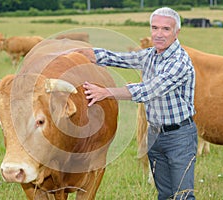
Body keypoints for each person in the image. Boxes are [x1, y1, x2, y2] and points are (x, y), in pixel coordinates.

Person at [77, 7, 198, 200]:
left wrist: (106, 92)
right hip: (155, 134)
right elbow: (123, 58)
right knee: (165, 194)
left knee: (183, 196)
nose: (159, 34)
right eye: (155, 28)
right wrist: (94, 55)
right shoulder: (151, 55)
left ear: (177, 33)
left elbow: (149, 90)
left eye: (166, 29)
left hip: (179, 137)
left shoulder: (179, 62)